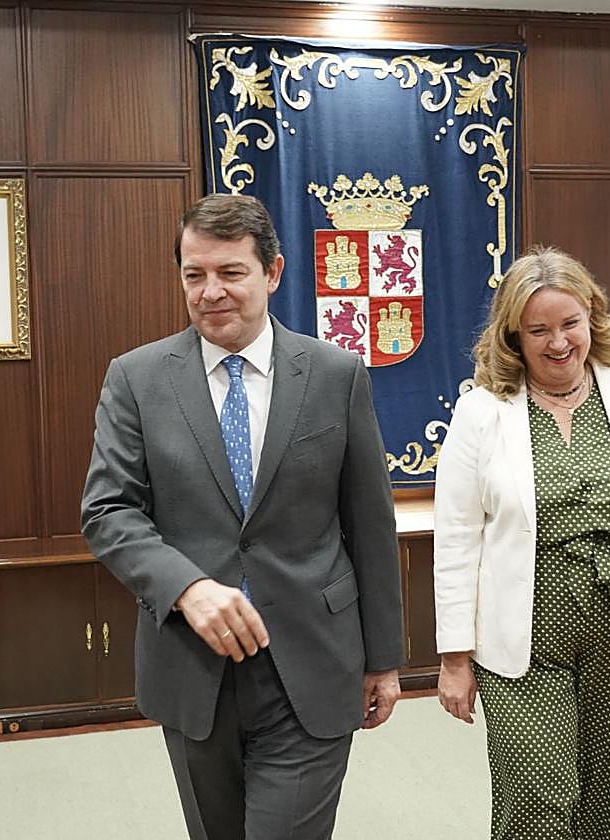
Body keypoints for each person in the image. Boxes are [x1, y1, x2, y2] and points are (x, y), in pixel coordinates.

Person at [81, 193, 404, 839]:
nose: (210, 293)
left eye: (230, 273)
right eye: (194, 274)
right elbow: (108, 510)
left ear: (273, 273)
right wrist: (188, 587)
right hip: (193, 668)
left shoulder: (336, 374)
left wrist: (385, 658)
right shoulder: (137, 378)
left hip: (312, 660)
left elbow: (370, 522)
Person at [433, 246, 610, 840]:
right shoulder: (481, 411)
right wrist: (454, 658)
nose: (558, 342)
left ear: (593, 317)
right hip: (521, 633)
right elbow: (458, 541)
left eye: (570, 323)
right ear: (513, 335)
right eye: (538, 329)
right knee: (535, 794)